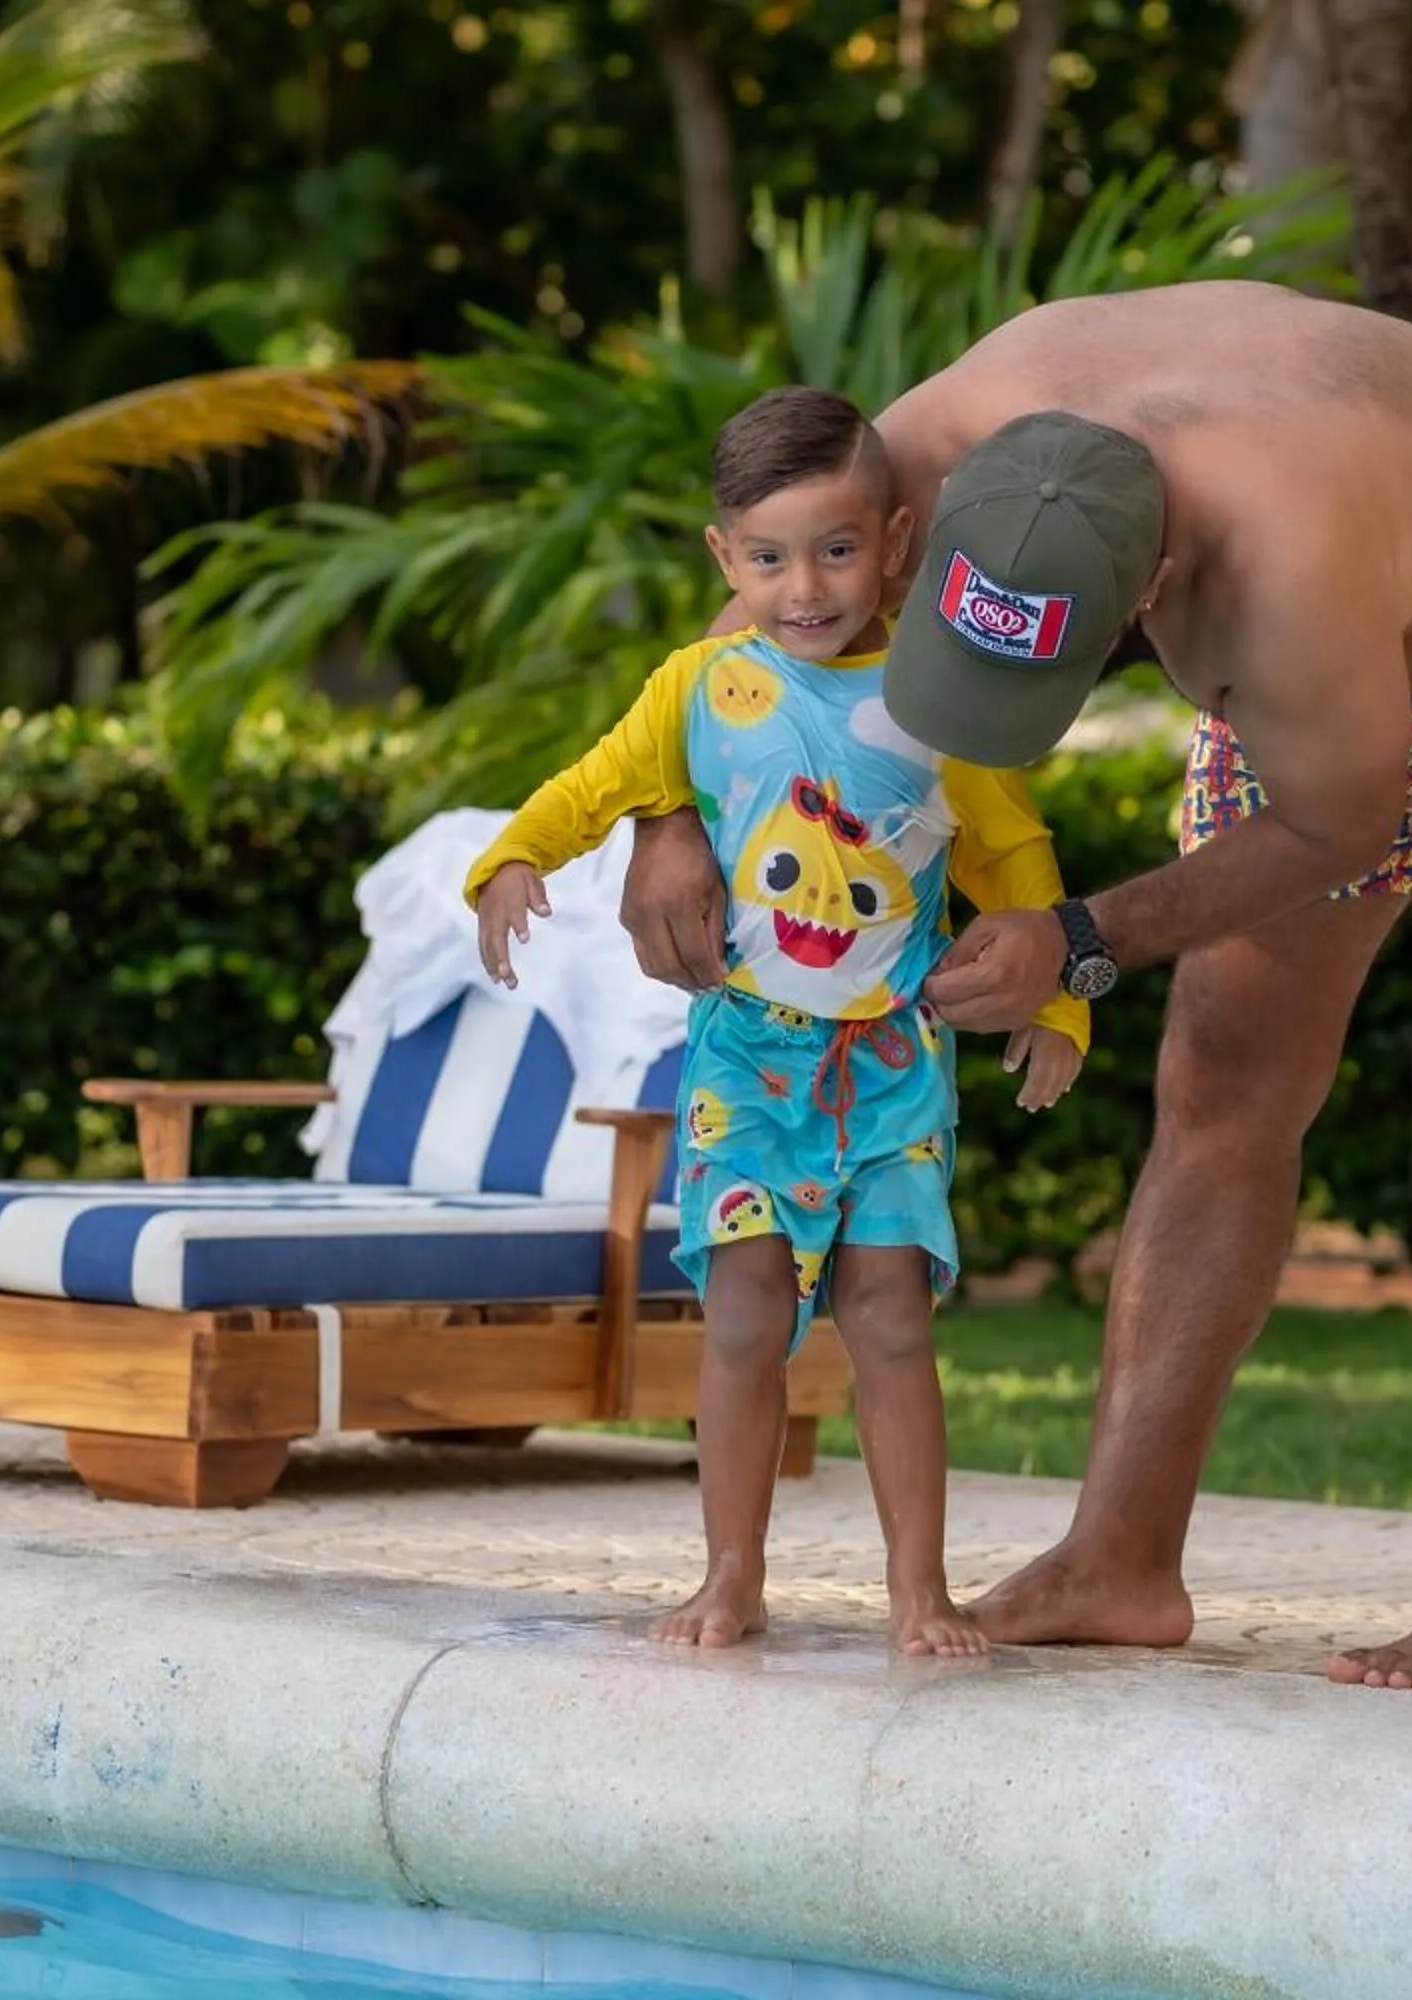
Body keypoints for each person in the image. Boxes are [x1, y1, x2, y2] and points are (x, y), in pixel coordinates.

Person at [612, 281, 1412, 1701]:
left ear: (1152, 594)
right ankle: (1119, 1558)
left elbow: (1341, 822)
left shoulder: (1284, 576)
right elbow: (770, 570)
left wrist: (1079, 937)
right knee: (1220, 1077)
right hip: (1327, 639)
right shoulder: (936, 434)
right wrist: (666, 816)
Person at [466, 385, 1090, 1658]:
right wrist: (516, 858)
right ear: (724, 557)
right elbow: (596, 785)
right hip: (748, 1058)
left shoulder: (943, 705)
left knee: (889, 1317)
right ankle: (731, 1574)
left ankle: (922, 1590)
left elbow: (1017, 861)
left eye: (837, 548)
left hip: (895, 1065)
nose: (804, 585)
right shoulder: (700, 686)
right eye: (768, 556)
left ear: (897, 542)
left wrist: (1062, 999)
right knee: (745, 1314)